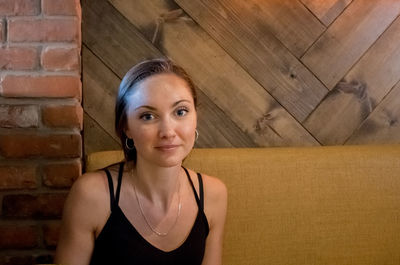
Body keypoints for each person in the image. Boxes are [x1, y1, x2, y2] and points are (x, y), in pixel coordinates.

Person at [54, 58, 228, 265]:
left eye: (180, 112)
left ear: (195, 117)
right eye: (147, 116)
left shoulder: (213, 194)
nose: (168, 132)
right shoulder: (91, 194)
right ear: (126, 127)